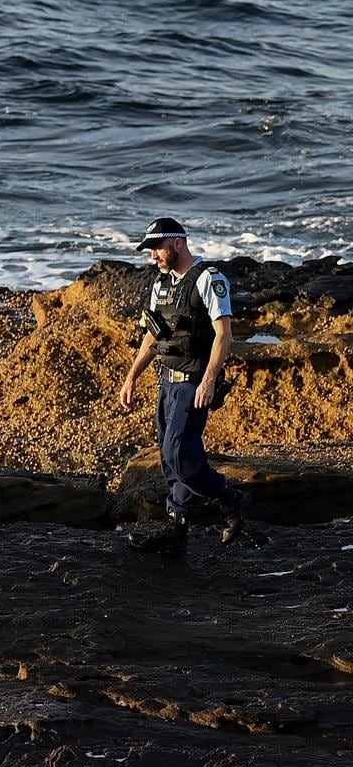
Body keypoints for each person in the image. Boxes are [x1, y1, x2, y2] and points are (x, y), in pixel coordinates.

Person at [117, 217, 250, 549]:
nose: (153, 257)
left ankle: (230, 500)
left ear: (177, 243)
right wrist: (132, 376)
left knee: (179, 454)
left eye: (157, 249)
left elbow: (224, 334)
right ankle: (177, 530)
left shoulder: (208, 279)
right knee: (168, 456)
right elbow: (153, 335)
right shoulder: (160, 284)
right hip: (166, 382)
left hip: (193, 383)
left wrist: (208, 381)